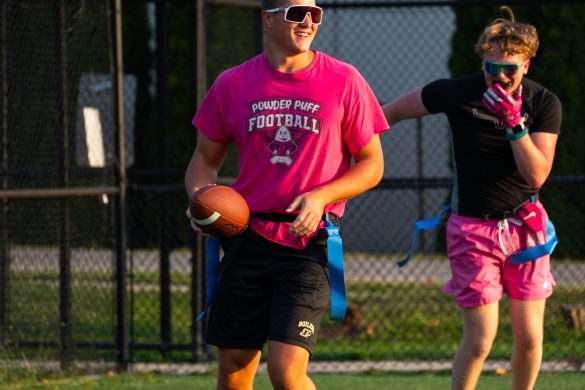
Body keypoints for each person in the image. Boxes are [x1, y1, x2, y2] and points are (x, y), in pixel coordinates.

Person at [184, 0, 388, 388]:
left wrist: (321, 196)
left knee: (286, 371)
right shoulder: (232, 82)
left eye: (315, 14)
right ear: (268, 18)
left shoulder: (344, 80)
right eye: (297, 13)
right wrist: (200, 199)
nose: (308, 22)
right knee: (234, 364)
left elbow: (372, 164)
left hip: (307, 241)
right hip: (246, 237)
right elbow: (203, 160)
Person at [382, 7, 561, 390]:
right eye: (490, 66)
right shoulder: (458, 92)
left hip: (525, 229)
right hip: (472, 229)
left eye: (509, 68)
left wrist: (515, 126)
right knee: (481, 339)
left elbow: (536, 174)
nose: (499, 76)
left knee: (530, 337)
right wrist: (344, 145)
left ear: (526, 66)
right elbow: (390, 113)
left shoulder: (543, 104)